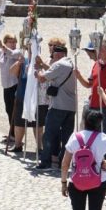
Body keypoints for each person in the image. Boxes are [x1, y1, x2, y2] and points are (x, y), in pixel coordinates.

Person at [36, 39, 77, 172]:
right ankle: (62, 162)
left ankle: (46, 162)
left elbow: (43, 78)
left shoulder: (58, 65)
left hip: (58, 105)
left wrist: (37, 72)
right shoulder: (72, 64)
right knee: (67, 136)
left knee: (49, 134)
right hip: (71, 106)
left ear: (57, 55)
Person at [0, 33, 22, 146]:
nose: (13, 44)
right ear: (6, 42)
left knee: (14, 111)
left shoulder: (17, 52)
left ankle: (15, 135)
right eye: (10, 42)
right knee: (8, 110)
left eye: (14, 42)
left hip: (14, 85)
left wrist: (2, 46)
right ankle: (12, 133)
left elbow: (11, 53)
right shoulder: (2, 53)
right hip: (6, 85)